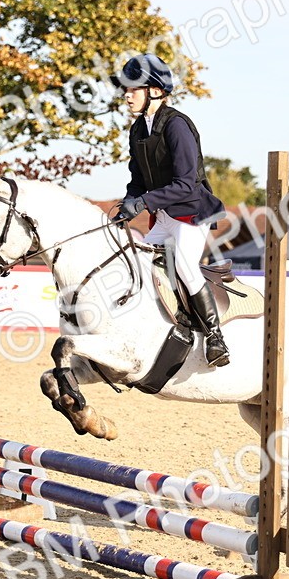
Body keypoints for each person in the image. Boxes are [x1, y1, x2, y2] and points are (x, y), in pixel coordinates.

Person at [109, 53, 230, 367]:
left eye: (132, 89)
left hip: (191, 213)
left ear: (154, 90)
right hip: (164, 215)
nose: (126, 95)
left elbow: (186, 184)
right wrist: (129, 203)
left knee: (186, 267)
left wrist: (145, 202)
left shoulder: (177, 125)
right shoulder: (138, 130)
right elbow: (138, 180)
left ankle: (216, 340)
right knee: (137, 262)